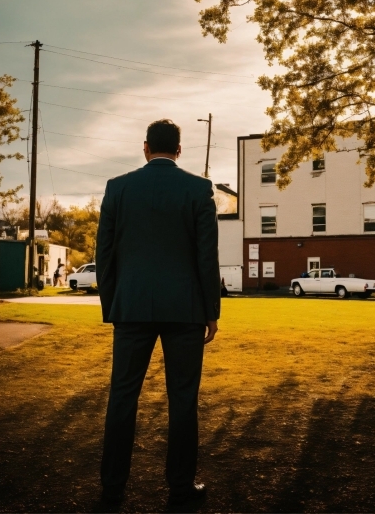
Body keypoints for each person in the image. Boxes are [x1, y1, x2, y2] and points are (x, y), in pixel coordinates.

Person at [96, 119, 221, 511]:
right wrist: (210, 311)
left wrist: (113, 304)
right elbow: (207, 257)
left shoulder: (118, 188)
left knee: (122, 397)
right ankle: (180, 486)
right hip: (185, 311)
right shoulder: (199, 189)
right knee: (183, 399)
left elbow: (104, 255)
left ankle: (113, 487)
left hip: (130, 308)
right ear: (179, 151)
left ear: (146, 147)